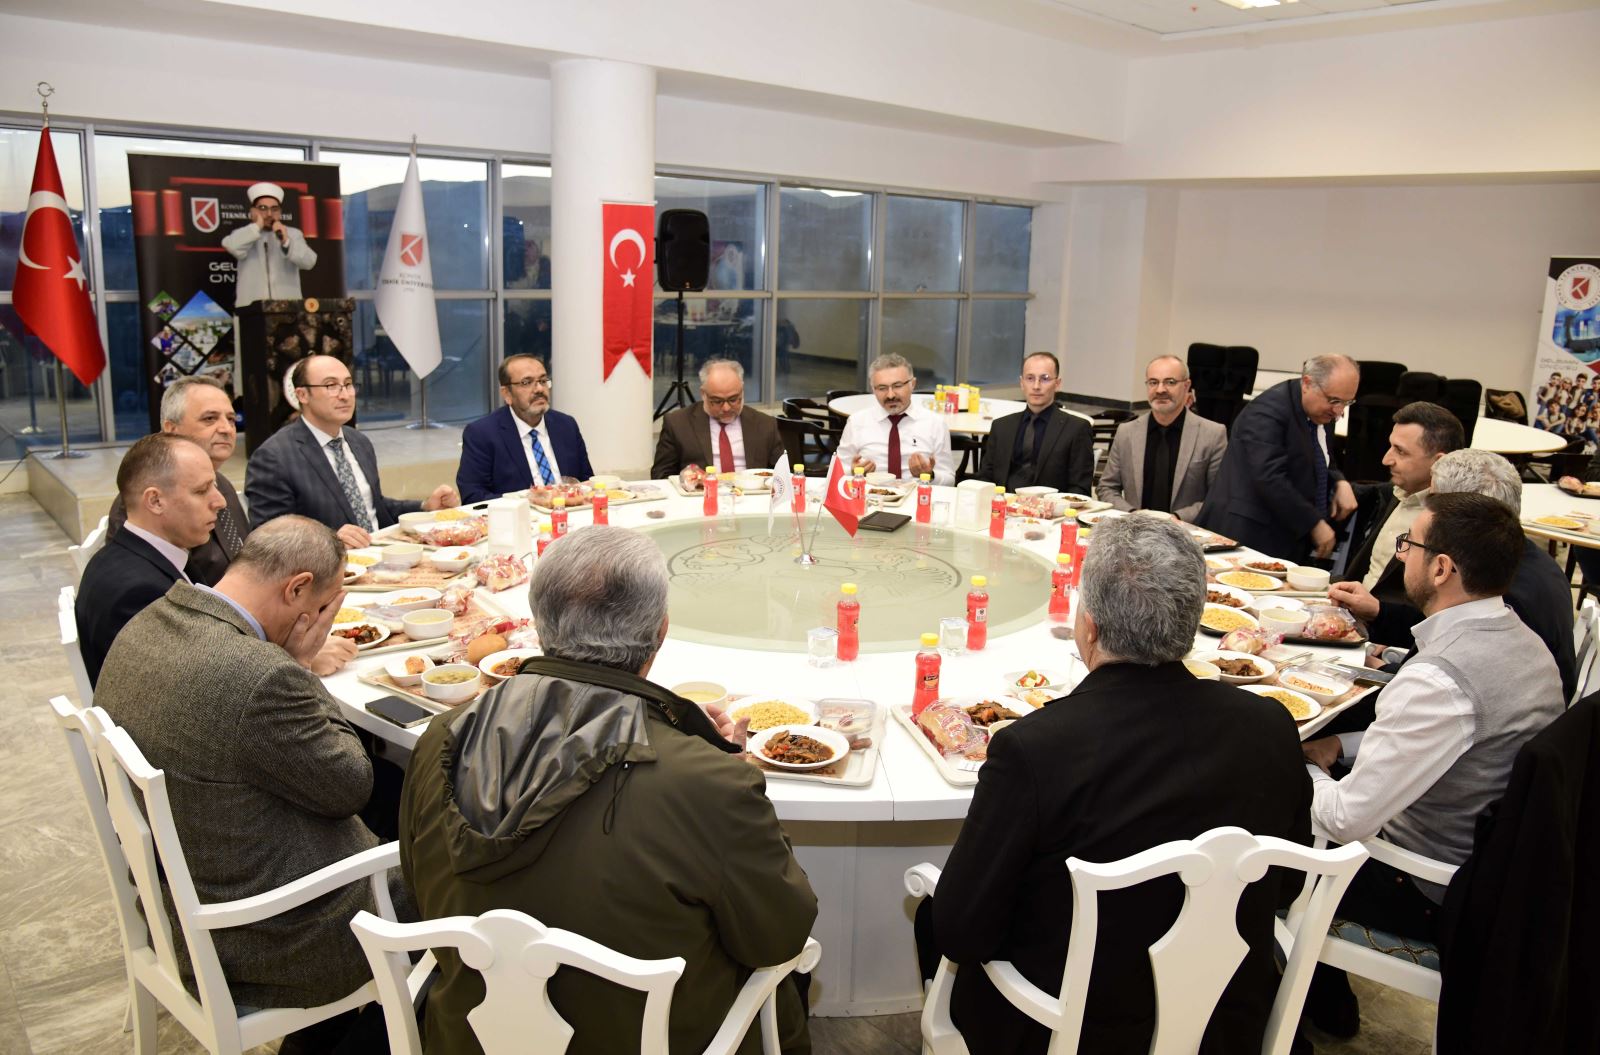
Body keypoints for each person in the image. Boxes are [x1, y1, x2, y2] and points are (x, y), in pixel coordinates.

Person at [401, 526, 817, 1055]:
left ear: (538, 621)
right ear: (661, 631)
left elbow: (419, 886)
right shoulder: (710, 783)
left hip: (471, 1035)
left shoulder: (444, 737)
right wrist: (719, 770)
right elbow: (778, 935)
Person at [919, 515, 1311, 1055]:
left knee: (932, 916)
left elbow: (961, 933)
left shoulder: (1035, 749)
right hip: (1221, 1024)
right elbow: (1285, 886)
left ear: (1089, 625)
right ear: (1192, 620)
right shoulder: (1269, 726)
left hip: (1069, 1031)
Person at [92, 516, 388, 1018]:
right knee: (450, 872)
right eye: (324, 607)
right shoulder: (262, 676)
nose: (323, 622)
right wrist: (299, 665)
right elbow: (352, 786)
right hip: (270, 932)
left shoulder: (147, 621)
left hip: (181, 895)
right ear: (296, 589)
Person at [1300, 493, 1564, 1037]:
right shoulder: (1524, 642)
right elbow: (1454, 742)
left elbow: (1345, 819)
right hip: (1489, 865)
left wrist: (1283, 761)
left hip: (1423, 884)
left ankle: (1273, 1004)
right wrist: (1336, 747)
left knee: (1245, 808)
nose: (1401, 555)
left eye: (1409, 544)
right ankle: (1325, 1000)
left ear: (1442, 568)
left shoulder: (1441, 676)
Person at [1329, 449, 1577, 703]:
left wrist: (1382, 670)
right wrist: (1379, 612)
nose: (1426, 509)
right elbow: (1449, 631)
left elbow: (1447, 690)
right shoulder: (1522, 559)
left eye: (1434, 502)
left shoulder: (1504, 595)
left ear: (1466, 518)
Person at [245, 355, 458, 548]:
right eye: (331, 386)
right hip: (327, 569)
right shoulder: (274, 457)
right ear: (302, 395)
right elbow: (268, 540)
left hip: (380, 554)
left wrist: (425, 506)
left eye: (348, 384)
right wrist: (330, 541)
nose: (345, 395)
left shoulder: (358, 441)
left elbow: (373, 505)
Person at [77, 434, 224, 687]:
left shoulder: (131, 554)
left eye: (215, 486)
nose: (220, 501)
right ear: (155, 501)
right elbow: (186, 685)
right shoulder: (139, 593)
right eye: (202, 491)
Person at [1196, 354, 1360, 563]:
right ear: (1307, 383)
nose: (1339, 412)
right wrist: (1314, 524)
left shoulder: (1322, 410)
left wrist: (1340, 481)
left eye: (1347, 402)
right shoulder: (1266, 412)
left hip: (1286, 536)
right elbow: (1269, 477)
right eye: (1335, 401)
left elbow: (1322, 454)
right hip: (1249, 537)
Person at [107, 376, 249, 586]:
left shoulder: (222, 482)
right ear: (171, 429)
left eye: (231, 419)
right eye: (210, 418)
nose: (226, 429)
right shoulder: (144, 500)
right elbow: (156, 586)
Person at [1337, 401, 1465, 595]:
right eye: (1391, 446)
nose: (1386, 460)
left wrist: (1378, 609)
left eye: (1401, 451)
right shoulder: (1398, 492)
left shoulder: (1452, 523)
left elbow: (1439, 606)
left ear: (1439, 462)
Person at [1096, 355, 1228, 519]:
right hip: (1135, 529)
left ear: (1186, 386)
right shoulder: (1126, 432)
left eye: (1170, 382)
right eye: (1153, 382)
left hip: (1185, 530)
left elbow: (1218, 496)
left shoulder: (1213, 435)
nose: (1160, 390)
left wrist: (1178, 519)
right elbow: (1106, 487)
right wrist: (1133, 515)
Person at [456, 354, 593, 502]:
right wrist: (529, 502)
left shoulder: (566, 425)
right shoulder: (482, 434)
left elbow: (587, 483)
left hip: (570, 512)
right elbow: (473, 496)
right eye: (526, 382)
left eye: (543, 381)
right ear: (507, 394)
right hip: (519, 514)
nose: (539, 389)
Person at [650, 358, 787, 485]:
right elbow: (660, 476)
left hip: (752, 497)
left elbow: (783, 476)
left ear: (742, 391)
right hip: (700, 497)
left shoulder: (765, 424)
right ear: (703, 394)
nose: (726, 408)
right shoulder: (678, 424)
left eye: (733, 399)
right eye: (717, 401)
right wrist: (684, 480)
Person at [977, 351, 1094, 494]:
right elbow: (985, 478)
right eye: (1030, 378)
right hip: (1003, 503)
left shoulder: (1076, 429)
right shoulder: (1001, 427)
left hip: (1052, 506)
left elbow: (1080, 489)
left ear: (1057, 384)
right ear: (1022, 383)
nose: (1036, 386)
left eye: (1045, 379)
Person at [835, 353, 955, 486]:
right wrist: (853, 472)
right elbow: (836, 472)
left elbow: (949, 479)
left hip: (918, 494)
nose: (890, 395)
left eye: (897, 386)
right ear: (873, 389)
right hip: (870, 494)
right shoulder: (857, 422)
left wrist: (930, 475)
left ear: (913, 384)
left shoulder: (935, 423)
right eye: (882, 388)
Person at [221, 181, 317, 307]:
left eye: (274, 209)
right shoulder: (245, 234)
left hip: (287, 309)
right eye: (263, 208)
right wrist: (256, 226)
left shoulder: (292, 234)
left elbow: (309, 262)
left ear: (280, 212)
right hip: (251, 309)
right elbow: (231, 246)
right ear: (253, 211)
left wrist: (286, 241)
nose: (269, 214)